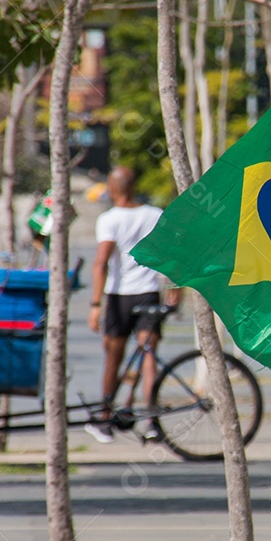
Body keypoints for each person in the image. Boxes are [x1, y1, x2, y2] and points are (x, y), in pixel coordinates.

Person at [86, 166, 178, 444]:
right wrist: (174, 287)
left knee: (113, 358)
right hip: (148, 294)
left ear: (113, 189)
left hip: (118, 297)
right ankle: (151, 420)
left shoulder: (109, 219)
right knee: (148, 357)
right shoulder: (155, 215)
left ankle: (105, 418)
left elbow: (101, 262)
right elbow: (169, 255)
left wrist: (94, 304)